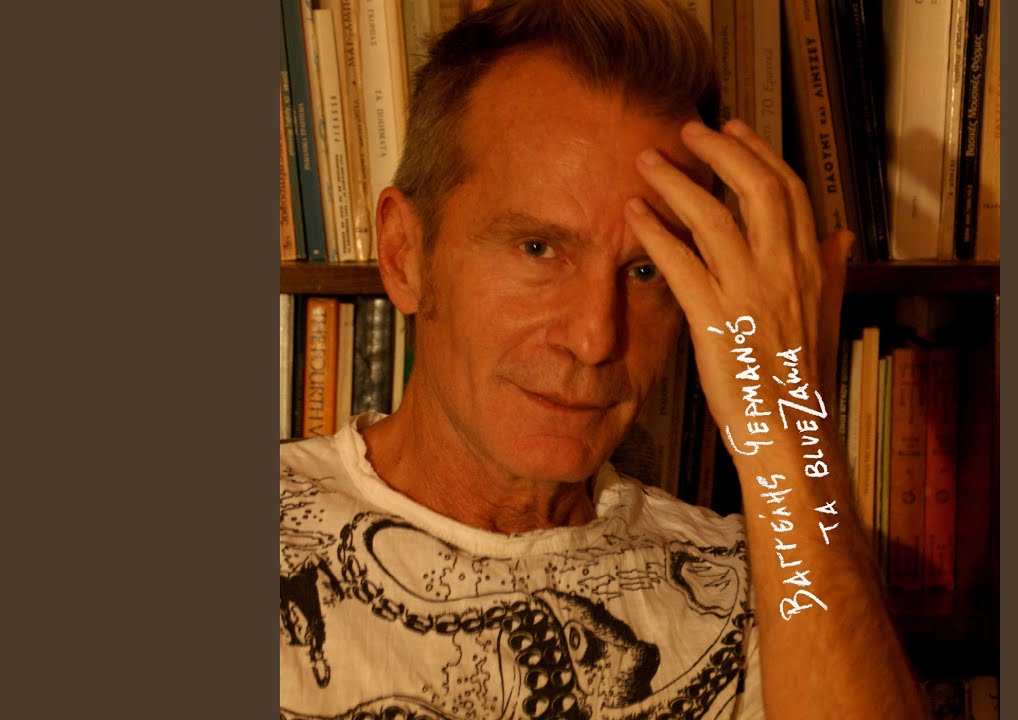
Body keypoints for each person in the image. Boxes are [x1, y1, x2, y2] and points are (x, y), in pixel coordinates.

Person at [279, 1, 928, 718]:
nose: (595, 338)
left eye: (646, 271)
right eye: (538, 249)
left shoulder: (773, 584)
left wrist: (789, 425)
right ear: (406, 255)